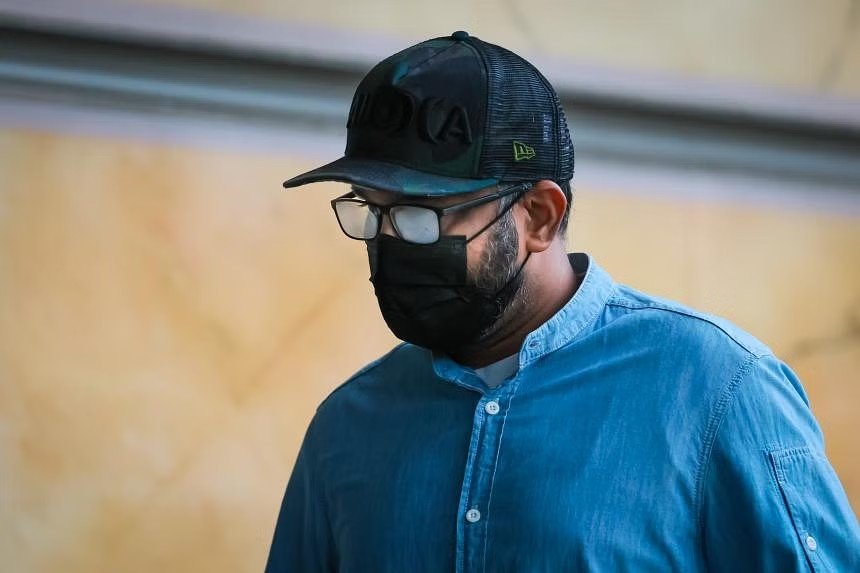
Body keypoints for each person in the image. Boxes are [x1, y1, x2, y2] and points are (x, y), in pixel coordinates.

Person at [266, 31, 859, 572]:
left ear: (539, 216)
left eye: (422, 216)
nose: (390, 243)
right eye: (371, 212)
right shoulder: (348, 427)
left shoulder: (718, 390)